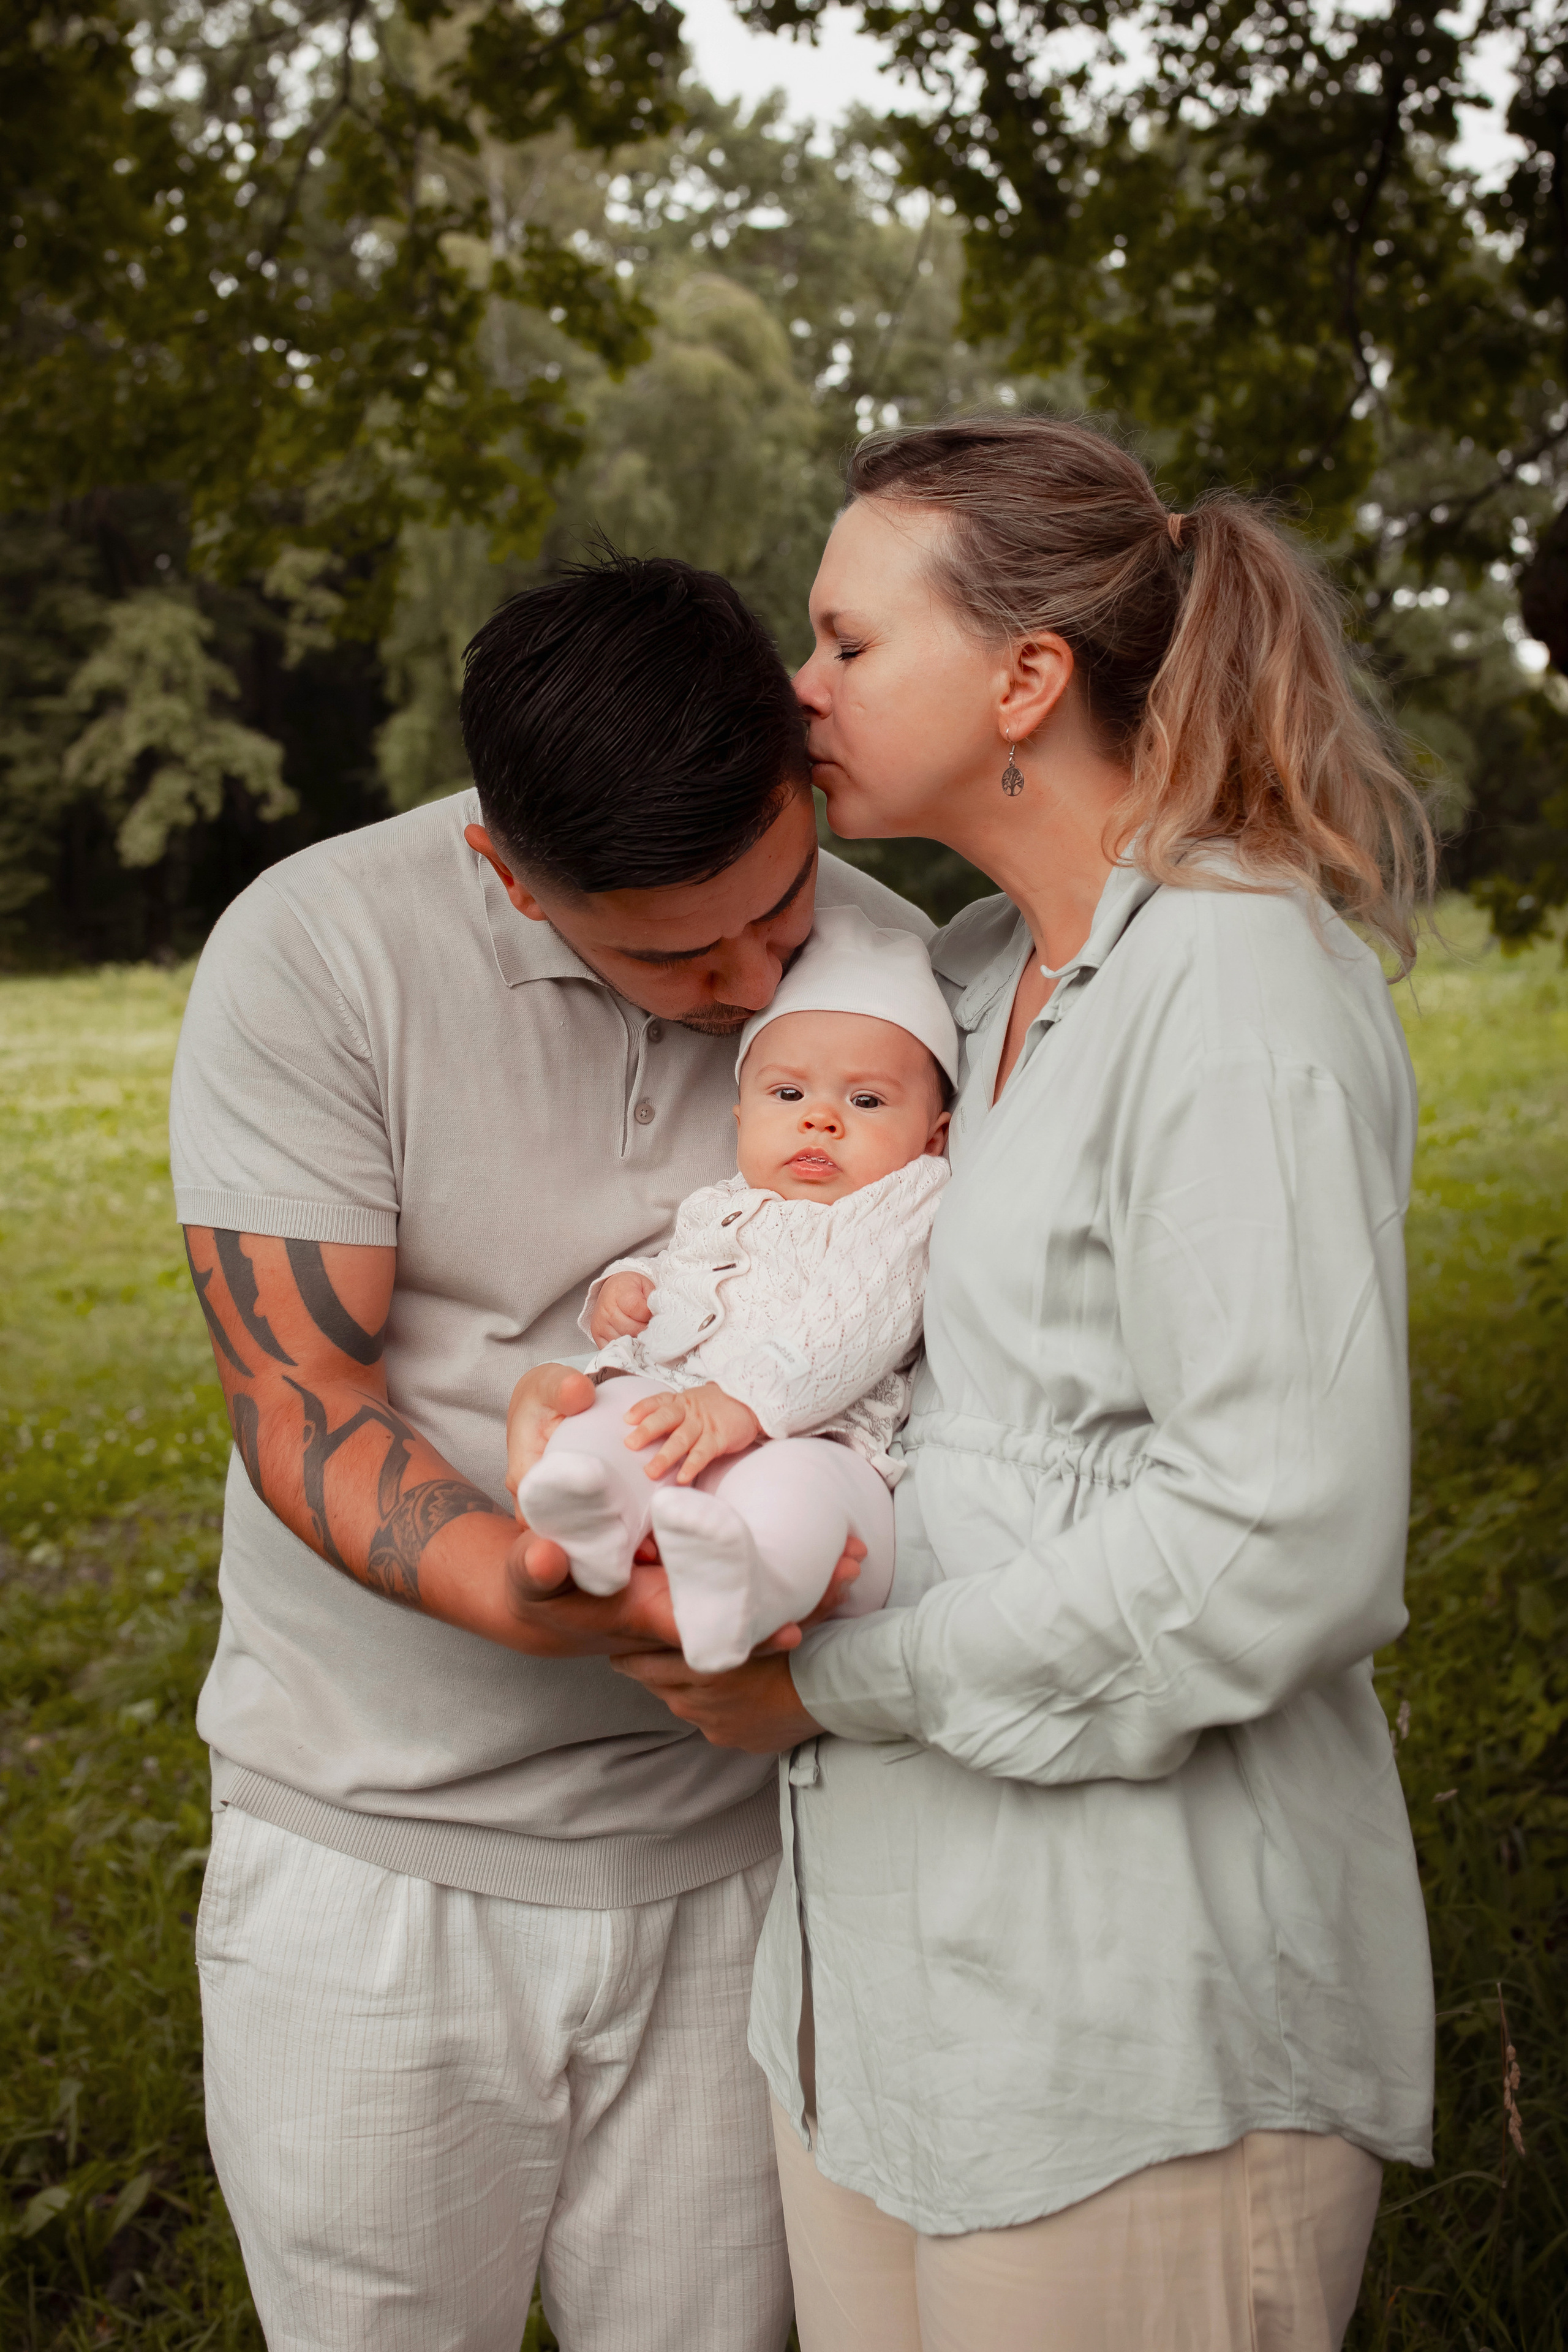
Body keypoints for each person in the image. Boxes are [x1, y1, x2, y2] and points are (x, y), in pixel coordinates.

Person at [589, 417, 1438, 2351]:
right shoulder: (960, 984)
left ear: (1024, 678)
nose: (796, 686)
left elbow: (1277, 1539)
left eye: (846, 639)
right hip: (893, 2002)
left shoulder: (1233, 990)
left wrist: (829, 1682)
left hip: (1131, 2020)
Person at [169, 550, 930, 2352]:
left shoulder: (884, 967)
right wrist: (527, 1597)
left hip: (747, 1853)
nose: (756, 979)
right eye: (676, 950)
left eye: (779, 902)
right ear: (506, 875)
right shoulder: (316, 943)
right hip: (374, 1853)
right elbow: (295, 1391)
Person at [519, 905, 956, 1670]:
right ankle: (590, 1511)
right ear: (741, 1115)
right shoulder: (723, 1201)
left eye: (865, 1102)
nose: (819, 1121)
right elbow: (687, 1265)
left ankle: (749, 1584)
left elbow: (864, 1319)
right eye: (787, 1096)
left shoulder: (900, 1208)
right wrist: (627, 1288)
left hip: (812, 1432)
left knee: (798, 1492)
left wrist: (749, 1403)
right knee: (616, 1412)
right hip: (685, 1406)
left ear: (932, 1136)